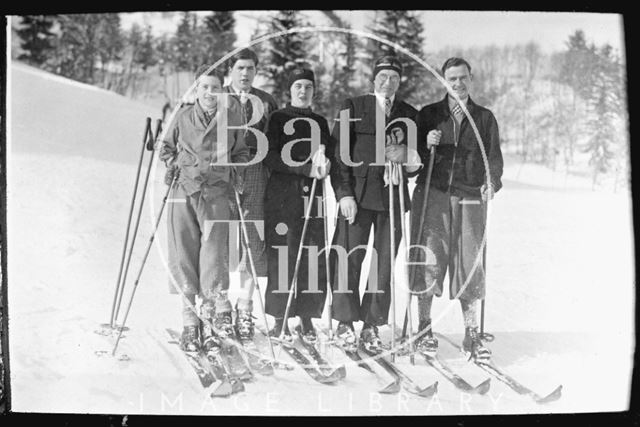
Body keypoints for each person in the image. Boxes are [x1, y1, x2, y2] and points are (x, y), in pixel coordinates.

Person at [410, 57, 503, 360]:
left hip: (470, 197)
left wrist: (493, 183)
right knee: (430, 258)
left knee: (469, 263)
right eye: (452, 78)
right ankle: (424, 327)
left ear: (470, 78)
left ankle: (471, 334)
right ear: (444, 81)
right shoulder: (429, 115)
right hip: (433, 195)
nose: (458, 83)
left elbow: (494, 159)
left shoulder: (485, 118)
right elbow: (414, 158)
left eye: (463, 78)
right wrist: (426, 142)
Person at [329, 55, 420, 354]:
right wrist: (343, 194)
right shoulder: (354, 107)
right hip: (356, 196)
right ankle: (344, 321)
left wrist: (407, 155)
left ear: (399, 81)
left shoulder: (409, 113)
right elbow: (339, 155)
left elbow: (417, 163)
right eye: (383, 76)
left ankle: (371, 324)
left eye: (394, 77)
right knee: (347, 257)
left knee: (382, 265)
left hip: (391, 197)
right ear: (374, 78)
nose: (388, 82)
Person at [159, 65, 249, 352]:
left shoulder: (232, 118)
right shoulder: (182, 116)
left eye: (215, 87)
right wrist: (175, 166)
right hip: (184, 191)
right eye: (204, 87)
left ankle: (209, 317)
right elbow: (166, 149)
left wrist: (234, 173)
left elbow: (243, 152)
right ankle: (189, 320)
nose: (210, 93)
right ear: (196, 90)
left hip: (216, 194)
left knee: (213, 257)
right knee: (184, 253)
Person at [263, 68, 333, 344]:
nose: (303, 91)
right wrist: (304, 169)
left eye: (308, 87)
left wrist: (325, 166)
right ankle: (280, 317)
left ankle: (306, 316)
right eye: (298, 86)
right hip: (283, 196)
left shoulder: (320, 122)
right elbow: (269, 156)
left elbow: (328, 156)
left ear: (314, 91)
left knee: (312, 255)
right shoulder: (278, 118)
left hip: (313, 197)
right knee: (283, 254)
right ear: (290, 91)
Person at [223, 49, 279, 342]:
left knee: (252, 239)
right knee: (218, 238)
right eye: (240, 68)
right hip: (221, 174)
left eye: (251, 69)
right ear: (231, 70)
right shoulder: (216, 96)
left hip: (257, 173)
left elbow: (278, 140)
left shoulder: (266, 101)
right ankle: (218, 308)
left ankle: (245, 307)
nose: (245, 74)